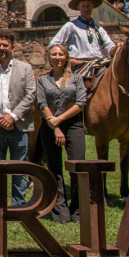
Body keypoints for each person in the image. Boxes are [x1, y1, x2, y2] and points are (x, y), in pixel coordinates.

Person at [0, 29, 36, 207]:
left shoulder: (25, 69)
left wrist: (12, 117)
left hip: (19, 127)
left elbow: (30, 94)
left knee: (19, 168)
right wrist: (0, 119)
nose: (1, 48)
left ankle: (19, 205)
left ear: (13, 47)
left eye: (5, 45)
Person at [36, 44, 87, 223]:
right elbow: (42, 105)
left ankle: (78, 210)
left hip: (73, 125)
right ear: (49, 58)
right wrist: (55, 126)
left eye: (60, 54)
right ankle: (60, 211)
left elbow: (80, 103)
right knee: (55, 169)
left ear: (66, 57)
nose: (57, 57)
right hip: (50, 126)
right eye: (53, 54)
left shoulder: (77, 79)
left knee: (78, 167)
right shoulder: (43, 80)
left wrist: (61, 119)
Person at [48, 0, 119, 86]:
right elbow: (53, 45)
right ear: (79, 8)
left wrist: (118, 48)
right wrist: (67, 60)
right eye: (83, 6)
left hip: (99, 63)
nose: (86, 9)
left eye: (89, 6)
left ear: (93, 6)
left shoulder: (99, 29)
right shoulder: (71, 26)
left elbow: (109, 46)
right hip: (78, 65)